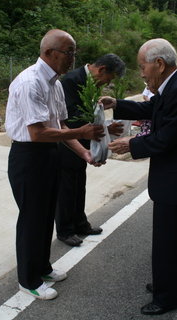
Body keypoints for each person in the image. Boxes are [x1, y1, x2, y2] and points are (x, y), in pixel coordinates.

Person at [100, 38, 177, 316]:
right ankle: (164, 283)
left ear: (159, 64)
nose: (142, 73)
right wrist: (118, 104)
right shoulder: (175, 85)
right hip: (174, 177)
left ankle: (168, 297)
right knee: (166, 239)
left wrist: (130, 145)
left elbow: (166, 139)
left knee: (168, 242)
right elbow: (152, 110)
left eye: (142, 66)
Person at [5, 29, 104, 300]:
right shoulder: (30, 82)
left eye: (74, 52)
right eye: (68, 52)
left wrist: (83, 152)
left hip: (50, 153)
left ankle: (43, 267)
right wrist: (81, 133)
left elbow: (59, 126)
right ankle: (28, 280)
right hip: (28, 157)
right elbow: (37, 132)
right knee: (31, 219)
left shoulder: (55, 84)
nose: (72, 58)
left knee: (47, 214)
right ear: (49, 53)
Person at [56, 54, 126, 247]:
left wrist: (105, 127)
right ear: (102, 70)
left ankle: (80, 223)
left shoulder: (91, 83)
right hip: (68, 143)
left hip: (84, 143)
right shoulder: (71, 80)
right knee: (66, 189)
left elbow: (91, 114)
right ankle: (65, 230)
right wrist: (103, 129)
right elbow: (69, 118)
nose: (106, 83)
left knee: (79, 186)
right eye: (109, 79)